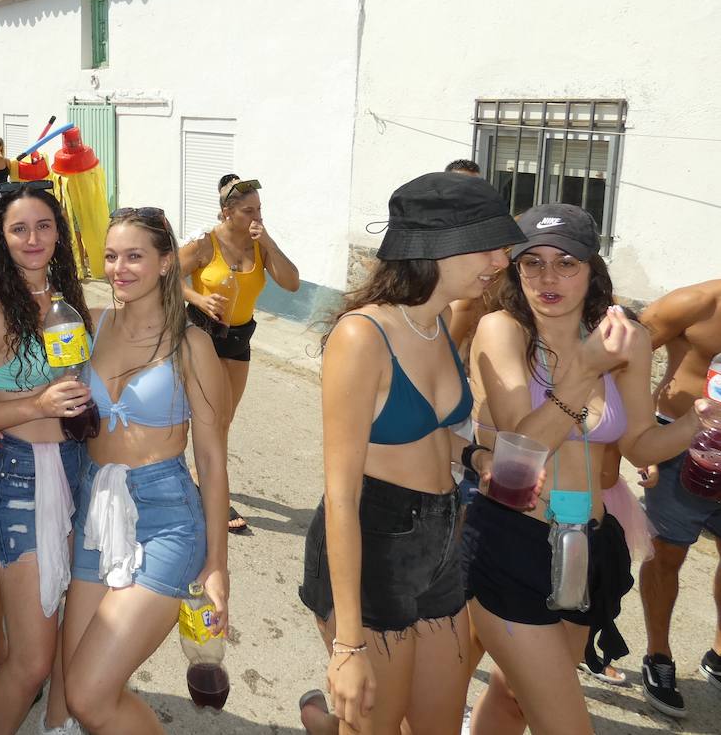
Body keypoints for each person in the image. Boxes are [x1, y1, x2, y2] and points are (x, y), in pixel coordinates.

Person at [461, 204, 704, 734]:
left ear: (593, 268)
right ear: (515, 269)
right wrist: (586, 369)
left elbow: (640, 445)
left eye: (566, 262)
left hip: (589, 544)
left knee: (513, 697)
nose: (548, 278)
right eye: (533, 263)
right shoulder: (501, 329)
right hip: (511, 537)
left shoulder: (627, 340)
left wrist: (698, 423)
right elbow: (518, 445)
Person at [297, 171, 522, 735]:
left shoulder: (438, 322)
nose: (503, 256)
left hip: (443, 538)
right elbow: (341, 494)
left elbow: (430, 433)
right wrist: (347, 646)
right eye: (490, 242)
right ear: (438, 246)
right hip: (373, 542)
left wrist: (477, 459)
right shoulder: (361, 337)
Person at [61, 207, 231, 733]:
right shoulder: (91, 323)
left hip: (166, 517)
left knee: (88, 696)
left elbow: (211, 457)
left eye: (135, 256)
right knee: (78, 684)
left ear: (165, 263)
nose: (119, 268)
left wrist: (218, 563)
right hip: (97, 507)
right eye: (111, 256)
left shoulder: (192, 345)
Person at [0, 181, 92, 735]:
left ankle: (58, 726)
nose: (33, 238)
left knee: (67, 626)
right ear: (2, 239)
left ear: (59, 232)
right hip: (21, 478)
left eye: (44, 225)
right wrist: (33, 404)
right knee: (29, 660)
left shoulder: (63, 298)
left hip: (78, 471)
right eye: (18, 228)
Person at [180, 173, 300, 531]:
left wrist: (271, 243)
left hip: (239, 338)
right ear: (227, 212)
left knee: (224, 419)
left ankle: (200, 475)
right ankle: (217, 495)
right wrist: (199, 298)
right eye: (249, 210)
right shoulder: (205, 243)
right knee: (211, 418)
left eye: (259, 209)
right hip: (203, 334)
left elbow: (292, 283)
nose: (257, 217)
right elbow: (165, 276)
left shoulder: (260, 245)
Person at [636, 278, 721, 718]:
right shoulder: (695, 303)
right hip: (679, 446)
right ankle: (658, 655)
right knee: (667, 555)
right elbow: (623, 364)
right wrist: (638, 442)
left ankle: (719, 653)